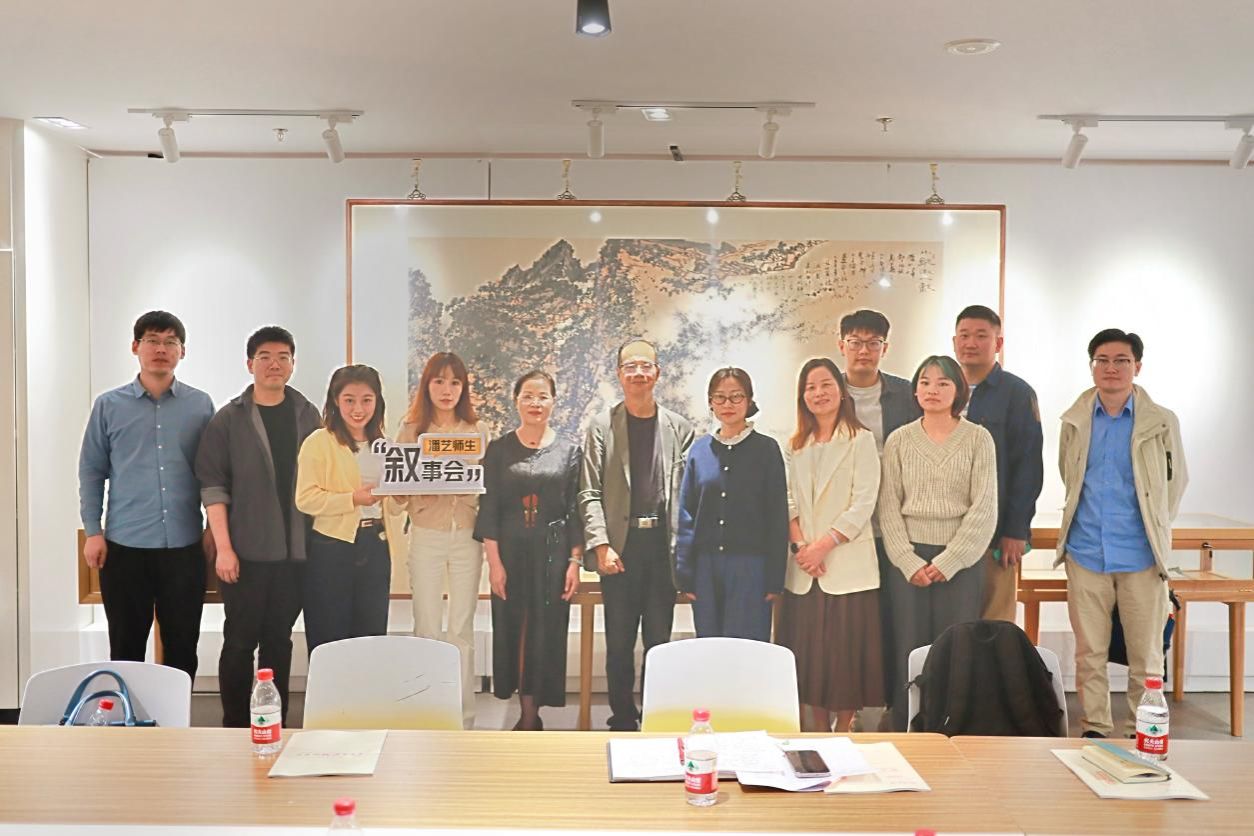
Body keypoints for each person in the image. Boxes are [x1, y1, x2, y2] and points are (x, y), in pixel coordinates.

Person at [1057, 329, 1186, 739]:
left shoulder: (1161, 421)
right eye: (1102, 360)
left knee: (1146, 655)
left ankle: (1142, 732)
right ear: (1091, 365)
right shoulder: (1075, 420)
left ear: (1137, 366)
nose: (1111, 368)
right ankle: (1095, 728)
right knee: (1089, 653)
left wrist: (1154, 527)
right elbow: (1068, 475)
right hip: (1086, 552)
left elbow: (1175, 483)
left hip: (1141, 555)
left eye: (1121, 360)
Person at [194, 326, 322, 728]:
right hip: (245, 553)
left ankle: (273, 723)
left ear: (293, 364)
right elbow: (213, 487)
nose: (274, 364)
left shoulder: (308, 414)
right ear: (250, 364)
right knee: (239, 642)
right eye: (265, 356)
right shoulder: (228, 419)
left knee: (279, 641)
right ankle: (234, 725)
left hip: (295, 554)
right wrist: (224, 548)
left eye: (283, 357)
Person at [78, 310, 215, 680]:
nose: (161, 349)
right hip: (125, 547)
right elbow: (92, 470)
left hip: (184, 547)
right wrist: (93, 531)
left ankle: (177, 716)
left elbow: (214, 473)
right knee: (126, 649)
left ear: (182, 351)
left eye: (171, 342)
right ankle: (129, 715)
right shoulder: (109, 405)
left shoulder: (200, 405)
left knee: (183, 648)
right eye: (153, 341)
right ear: (135, 347)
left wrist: (213, 528)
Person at [580, 338, 695, 731]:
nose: (639, 373)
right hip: (620, 549)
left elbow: (689, 497)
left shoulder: (679, 428)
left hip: (662, 548)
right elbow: (589, 491)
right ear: (620, 375)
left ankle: (655, 717)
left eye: (646, 366)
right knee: (618, 643)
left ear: (657, 373)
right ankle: (622, 718)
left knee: (659, 642)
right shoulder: (601, 426)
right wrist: (601, 544)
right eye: (631, 367)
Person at [879, 355, 997, 731]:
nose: (933, 390)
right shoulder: (899, 440)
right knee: (908, 646)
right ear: (915, 391)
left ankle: (953, 725)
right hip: (908, 561)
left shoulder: (978, 438)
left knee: (957, 647)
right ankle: (907, 724)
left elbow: (984, 508)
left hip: (961, 563)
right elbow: (888, 507)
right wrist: (907, 560)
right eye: (925, 382)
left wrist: (950, 561)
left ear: (958, 391)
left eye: (943, 383)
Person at [776, 358, 883, 732]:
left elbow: (864, 501)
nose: (818, 393)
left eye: (826, 385)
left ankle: (845, 726)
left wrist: (823, 545)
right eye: (810, 387)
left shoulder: (860, 439)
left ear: (841, 391)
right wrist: (801, 547)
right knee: (810, 654)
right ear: (802, 396)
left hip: (846, 564)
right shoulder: (794, 445)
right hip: (804, 567)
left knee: (843, 653)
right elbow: (786, 499)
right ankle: (819, 727)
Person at [476, 370, 583, 731]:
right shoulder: (498, 450)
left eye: (542, 396)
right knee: (514, 629)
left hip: (553, 554)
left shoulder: (569, 451)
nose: (535, 403)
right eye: (528, 396)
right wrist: (494, 564)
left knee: (545, 631)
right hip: (509, 553)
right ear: (516, 401)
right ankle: (525, 713)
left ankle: (534, 712)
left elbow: (575, 510)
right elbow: (489, 509)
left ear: (553, 402)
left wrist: (575, 561)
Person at [835, 308, 921, 721]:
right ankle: (850, 707)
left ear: (885, 348)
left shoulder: (906, 394)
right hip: (845, 530)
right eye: (855, 342)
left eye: (873, 343)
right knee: (853, 622)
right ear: (841, 345)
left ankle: (895, 706)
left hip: (895, 527)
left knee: (895, 618)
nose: (863, 351)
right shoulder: (828, 391)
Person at [396, 351, 489, 729]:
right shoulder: (411, 429)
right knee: (427, 627)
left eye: (454, 382)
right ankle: (428, 715)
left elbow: (487, 485)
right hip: (426, 535)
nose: (446, 390)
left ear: (463, 387)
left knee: (461, 629)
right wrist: (420, 487)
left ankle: (463, 717)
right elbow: (396, 493)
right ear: (427, 385)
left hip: (467, 536)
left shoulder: (477, 430)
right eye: (439, 381)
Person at [295, 365, 406, 655]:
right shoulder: (318, 442)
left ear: (377, 401)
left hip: (376, 544)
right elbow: (305, 499)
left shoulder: (386, 446)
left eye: (367, 400)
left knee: (371, 631)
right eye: (349, 400)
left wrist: (401, 495)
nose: (358, 409)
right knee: (329, 631)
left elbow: (393, 508)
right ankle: (330, 687)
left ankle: (367, 687)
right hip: (331, 547)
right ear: (335, 401)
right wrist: (353, 499)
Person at [674, 368, 787, 643]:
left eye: (736, 397)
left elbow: (777, 515)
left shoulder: (767, 449)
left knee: (747, 646)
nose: (728, 404)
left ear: (749, 401)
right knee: (709, 645)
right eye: (720, 397)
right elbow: (687, 514)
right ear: (710, 402)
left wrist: (775, 576)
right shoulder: (699, 451)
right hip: (705, 568)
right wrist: (685, 572)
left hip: (751, 567)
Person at [952, 305, 1044, 623]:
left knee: (994, 621)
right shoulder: (940, 388)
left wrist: (1016, 530)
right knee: (951, 621)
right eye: (964, 335)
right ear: (954, 342)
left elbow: (1028, 467)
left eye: (981, 336)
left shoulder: (1017, 393)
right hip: (945, 531)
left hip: (996, 532)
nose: (971, 343)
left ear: (998, 343)